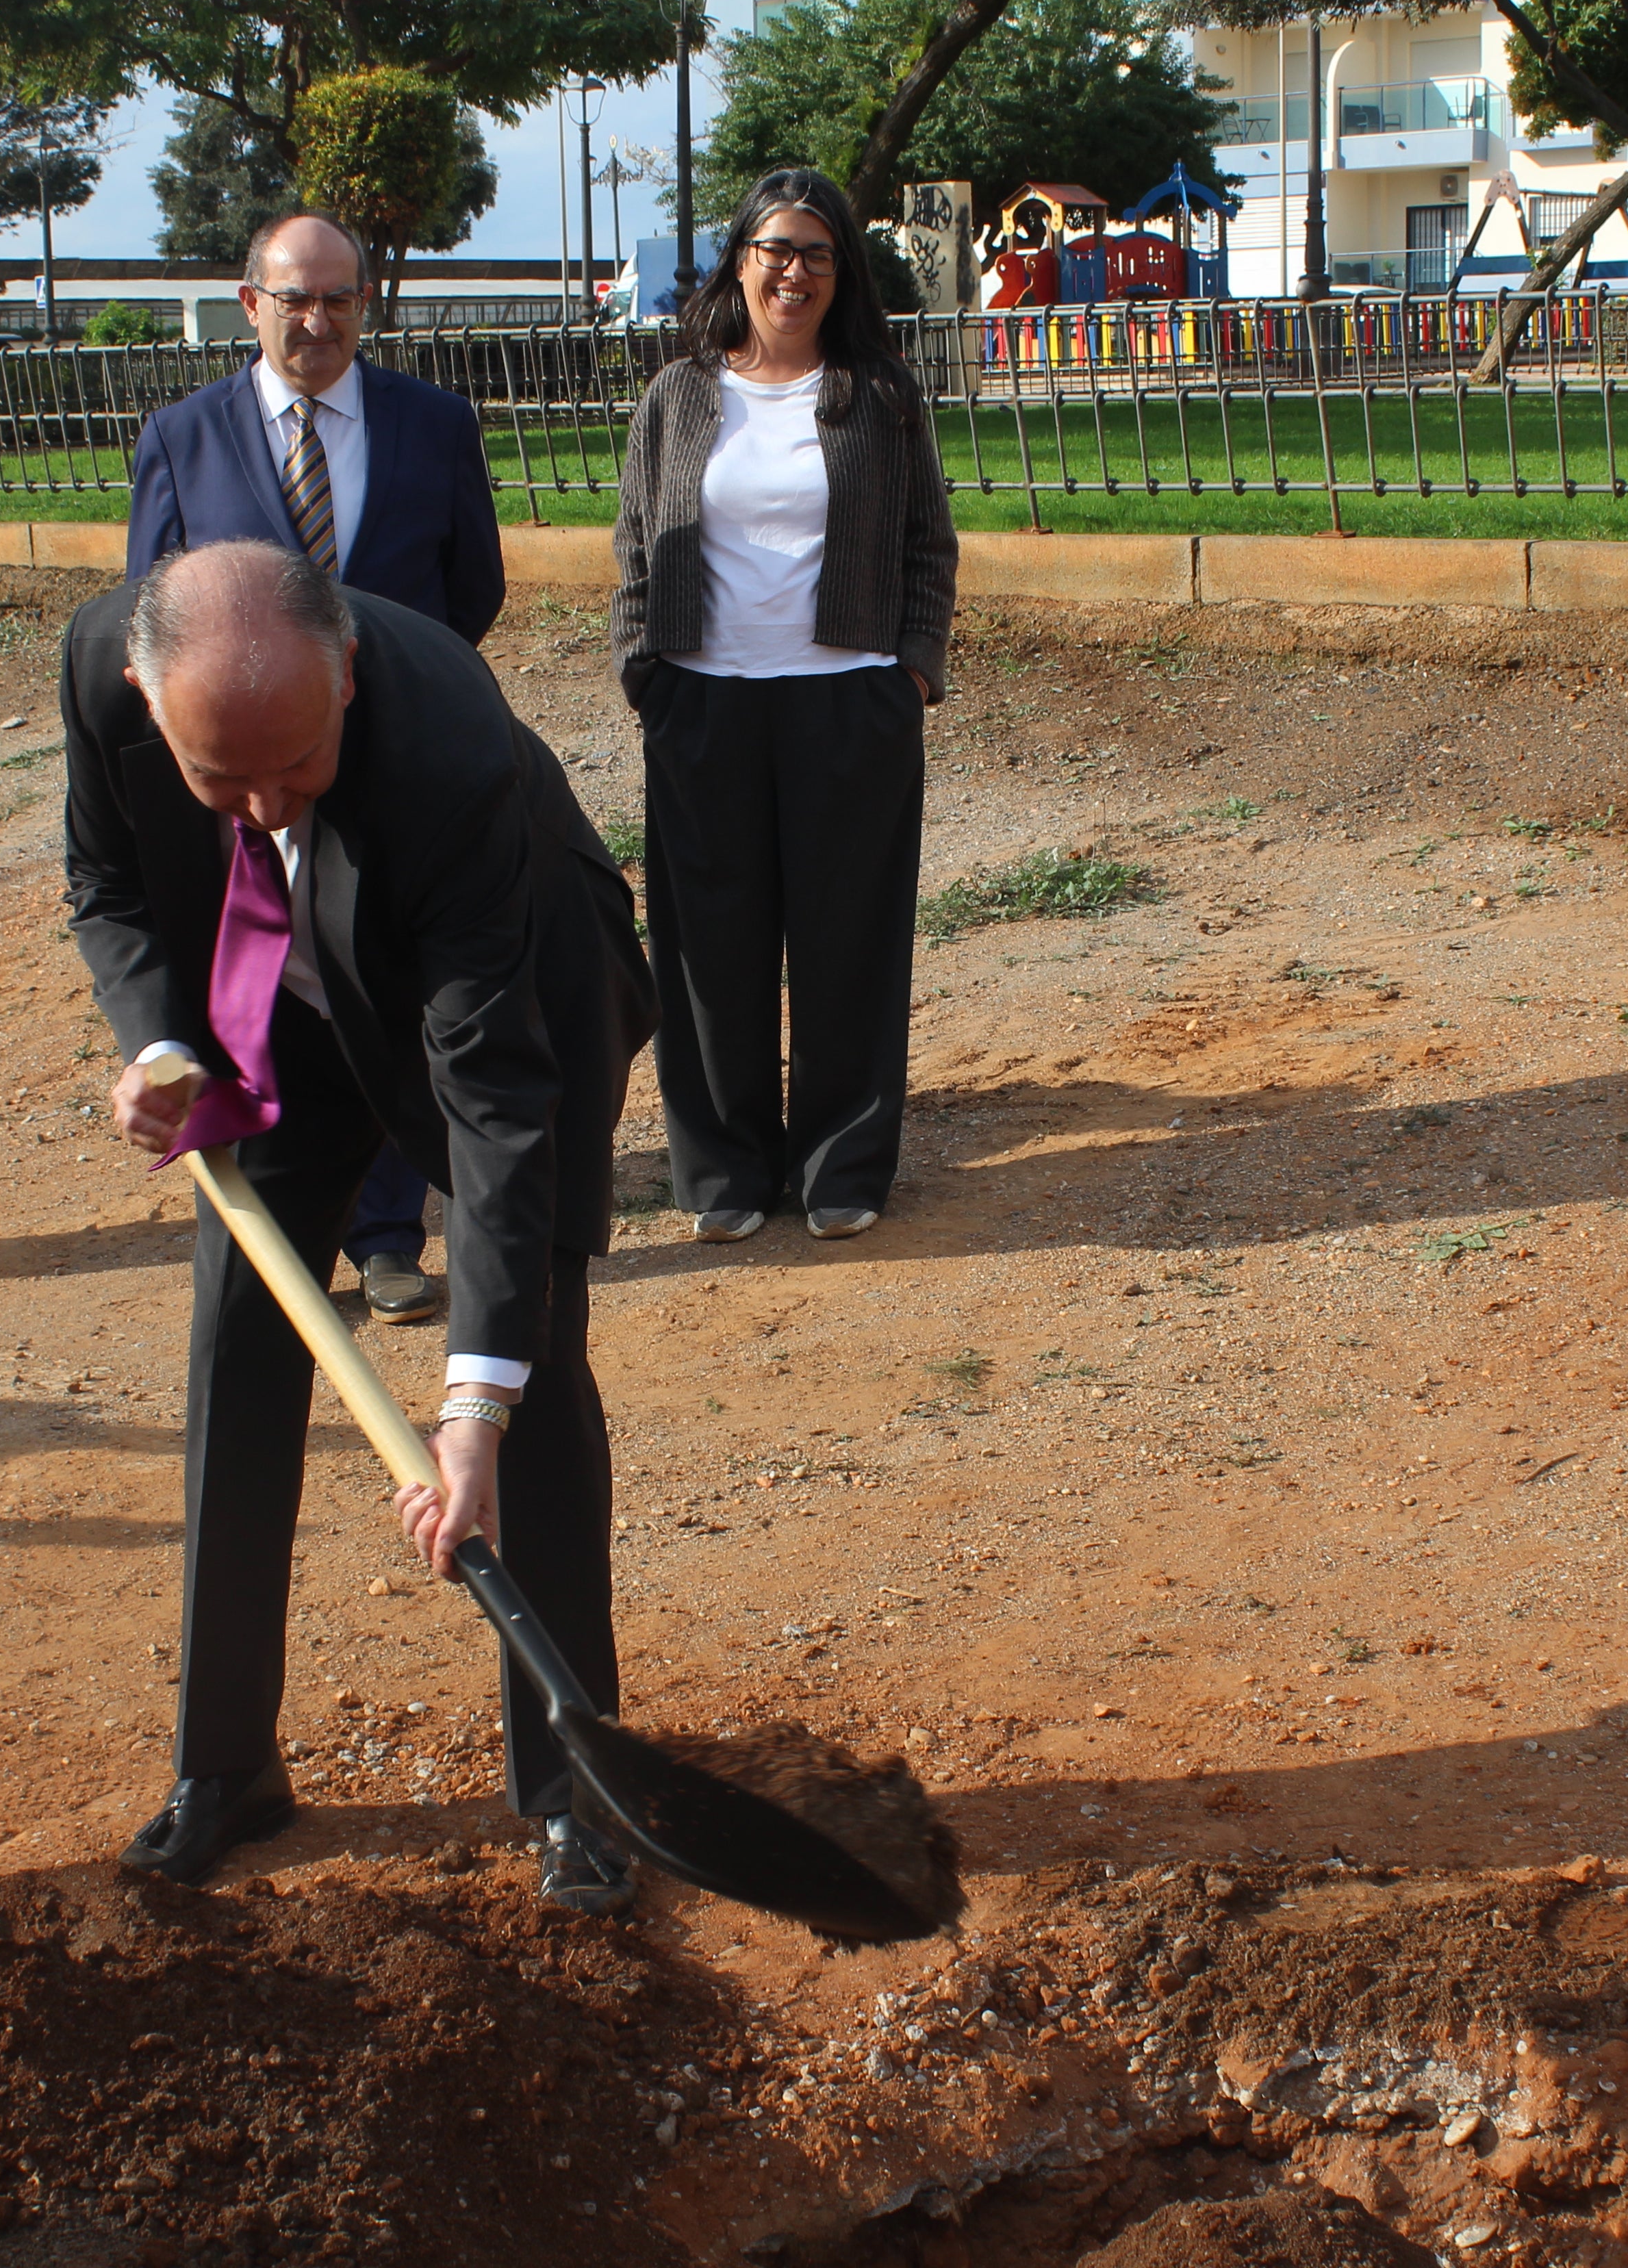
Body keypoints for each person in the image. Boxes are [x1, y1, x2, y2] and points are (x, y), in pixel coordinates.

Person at [61, 539, 654, 1909]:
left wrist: (471, 1407)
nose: (263, 804)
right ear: (152, 705)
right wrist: (162, 1050)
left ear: (347, 674)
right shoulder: (104, 669)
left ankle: (577, 1791)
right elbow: (107, 888)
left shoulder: (446, 747)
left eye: (296, 766)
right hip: (273, 1015)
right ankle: (225, 1766)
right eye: (222, 780)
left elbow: (496, 1102)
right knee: (241, 1339)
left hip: (505, 995)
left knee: (537, 1367)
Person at [125, 214, 508, 1329]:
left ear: (365, 304)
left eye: (340, 298)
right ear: (251, 304)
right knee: (269, 991)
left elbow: (469, 591)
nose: (318, 320)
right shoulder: (184, 437)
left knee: (381, 988)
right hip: (253, 783)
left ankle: (390, 1235)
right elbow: (152, 615)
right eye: (294, 298)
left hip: (384, 767)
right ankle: (287, 1221)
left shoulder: (433, 427)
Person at [608, 166, 958, 1246]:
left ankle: (842, 1164)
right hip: (704, 703)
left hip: (847, 704)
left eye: (815, 252)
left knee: (850, 942)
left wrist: (910, 673)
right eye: (775, 250)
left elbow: (926, 548)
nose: (793, 272)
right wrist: (644, 669)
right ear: (741, 264)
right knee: (710, 949)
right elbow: (632, 544)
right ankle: (723, 1169)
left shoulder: (881, 395)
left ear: (840, 271)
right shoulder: (678, 397)